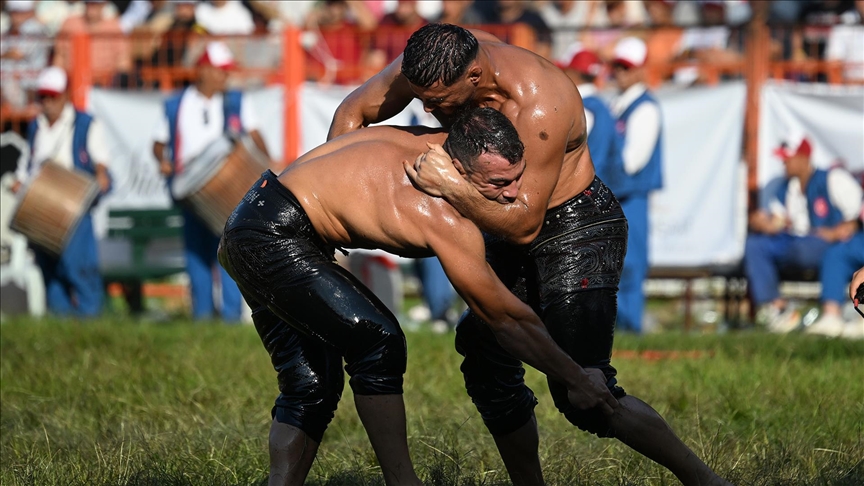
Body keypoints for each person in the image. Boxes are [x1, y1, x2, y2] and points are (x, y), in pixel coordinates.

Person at [328, 23, 731, 486]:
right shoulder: (435, 59)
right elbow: (352, 112)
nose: (426, 108)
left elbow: (524, 224)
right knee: (484, 360)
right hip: (504, 215)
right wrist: (335, 201)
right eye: (421, 96)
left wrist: (453, 188)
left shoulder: (542, 100)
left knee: (583, 392)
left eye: (438, 100)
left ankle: (706, 481)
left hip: (574, 223)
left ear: (474, 76)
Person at [218, 107, 620, 486]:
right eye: (498, 184)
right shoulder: (440, 212)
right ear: (457, 170)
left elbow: (355, 107)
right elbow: (504, 317)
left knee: (311, 385)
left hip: (256, 216)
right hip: (273, 237)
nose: (515, 195)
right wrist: (575, 377)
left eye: (518, 176)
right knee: (379, 341)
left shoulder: (444, 140)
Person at [151, 41, 270, 322]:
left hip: (228, 193)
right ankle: (201, 316)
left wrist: (269, 161)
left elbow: (254, 135)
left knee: (229, 254)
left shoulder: (236, 101)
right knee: (197, 256)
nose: (225, 77)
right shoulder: (175, 105)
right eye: (220, 71)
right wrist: (162, 160)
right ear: (202, 70)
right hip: (192, 195)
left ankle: (230, 317)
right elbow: (158, 143)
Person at [11, 67, 112, 317]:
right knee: (51, 273)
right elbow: (28, 165)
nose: (47, 103)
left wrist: (100, 174)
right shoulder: (36, 126)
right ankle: (62, 323)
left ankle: (91, 324)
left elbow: (101, 161)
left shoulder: (85, 123)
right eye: (42, 97)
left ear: (64, 95)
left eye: (51, 97)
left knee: (81, 270)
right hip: (41, 209)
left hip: (73, 208)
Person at [745, 134, 863, 334]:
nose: (784, 163)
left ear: (803, 158)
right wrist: (765, 223)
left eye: (788, 159)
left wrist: (836, 232)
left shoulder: (832, 178)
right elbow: (779, 220)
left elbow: (855, 214)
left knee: (828, 252)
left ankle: (834, 315)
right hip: (797, 241)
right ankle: (777, 309)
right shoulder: (786, 188)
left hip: (822, 243)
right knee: (755, 245)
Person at [608, 36, 664, 334]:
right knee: (616, 265)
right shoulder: (619, 105)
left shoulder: (645, 108)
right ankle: (619, 329)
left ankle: (631, 326)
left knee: (630, 264)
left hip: (632, 198)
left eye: (626, 67)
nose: (619, 72)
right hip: (619, 196)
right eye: (616, 66)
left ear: (641, 70)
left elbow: (632, 161)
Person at [557, 47, 625, 200]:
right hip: (600, 194)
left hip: (582, 196)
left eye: (565, 71)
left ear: (573, 73)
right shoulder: (601, 106)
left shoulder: (581, 108)